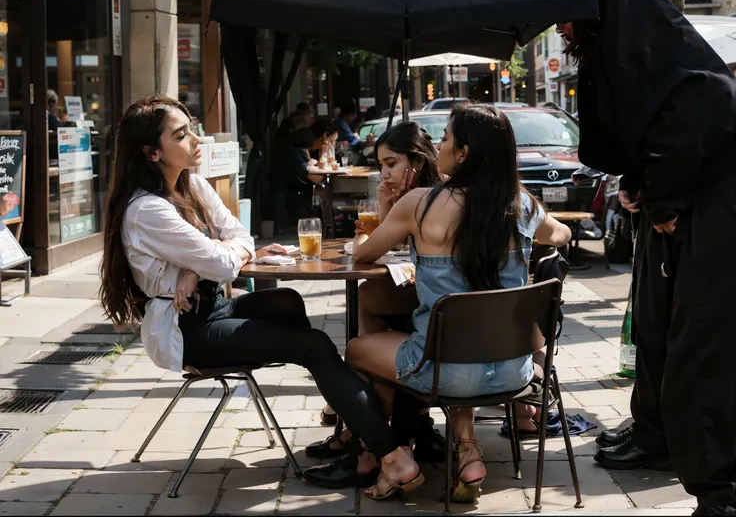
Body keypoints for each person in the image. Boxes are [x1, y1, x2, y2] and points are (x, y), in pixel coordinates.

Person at [99, 96, 424, 499]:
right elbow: (222, 260)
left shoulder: (193, 185)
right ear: (152, 153)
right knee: (315, 343)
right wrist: (206, 261)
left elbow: (241, 238)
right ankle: (388, 454)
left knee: (287, 301)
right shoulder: (147, 210)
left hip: (213, 305)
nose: (196, 139)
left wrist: (193, 267)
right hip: (186, 329)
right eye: (181, 135)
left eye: (192, 127)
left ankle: (354, 433)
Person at [309, 103, 571, 501]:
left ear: (463, 153)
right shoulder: (520, 204)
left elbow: (363, 255)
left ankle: (385, 454)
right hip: (516, 371)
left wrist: (383, 214)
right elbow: (562, 236)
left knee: (361, 349)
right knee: (458, 340)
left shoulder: (421, 203)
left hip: (444, 374)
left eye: (446, 138)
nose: (439, 145)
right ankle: (466, 447)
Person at [559, 17, 736, 516]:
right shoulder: (693, 85)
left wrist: (664, 207)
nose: (562, 29)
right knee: (681, 351)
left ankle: (717, 492)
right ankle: (707, 479)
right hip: (697, 232)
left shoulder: (700, 88)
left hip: (709, 235)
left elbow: (680, 147)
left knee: (697, 360)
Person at [306, 122, 446, 480]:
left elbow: (365, 251)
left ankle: (367, 439)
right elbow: (395, 248)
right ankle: (385, 430)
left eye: (391, 163)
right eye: (381, 164)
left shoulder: (426, 196)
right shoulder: (437, 192)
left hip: (436, 315)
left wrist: (380, 219)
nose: (384, 172)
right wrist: (386, 208)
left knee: (363, 324)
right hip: (448, 311)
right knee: (368, 299)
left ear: (415, 160)